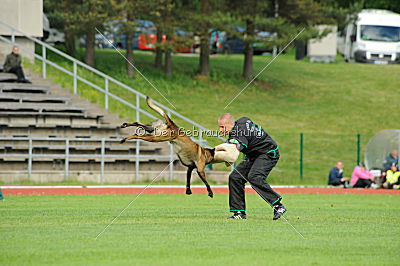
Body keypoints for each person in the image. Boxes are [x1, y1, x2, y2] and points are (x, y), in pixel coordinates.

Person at [217, 113, 285, 220]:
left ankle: (278, 206)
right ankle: (239, 213)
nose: (220, 130)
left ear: (230, 124)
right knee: (235, 177)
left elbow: (237, 144)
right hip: (253, 156)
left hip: (268, 153)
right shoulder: (242, 122)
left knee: (255, 177)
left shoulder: (239, 133)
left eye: (222, 127)